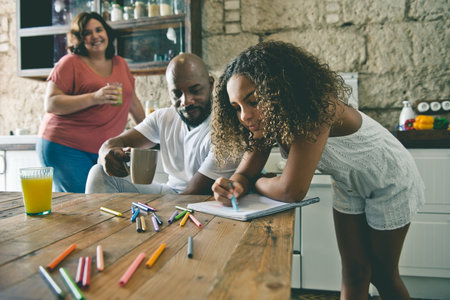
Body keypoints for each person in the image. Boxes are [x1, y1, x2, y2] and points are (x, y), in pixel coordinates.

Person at [211, 41, 425, 299]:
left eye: (253, 100)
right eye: (236, 107)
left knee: (382, 274)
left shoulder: (315, 109)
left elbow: (291, 190)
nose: (245, 115)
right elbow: (245, 173)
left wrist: (257, 182)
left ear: (279, 90)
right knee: (353, 272)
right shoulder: (263, 121)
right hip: (350, 183)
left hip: (390, 178)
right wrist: (234, 185)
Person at [85, 53, 236, 194]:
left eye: (195, 90)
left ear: (210, 85)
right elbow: (114, 143)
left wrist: (150, 210)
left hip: (201, 203)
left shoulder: (226, 131)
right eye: (177, 94)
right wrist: (107, 153)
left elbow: (192, 195)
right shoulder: (164, 117)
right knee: (98, 172)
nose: (186, 101)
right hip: (170, 193)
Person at [36, 12, 145, 193]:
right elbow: (51, 103)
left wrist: (155, 134)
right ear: (79, 38)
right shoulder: (70, 63)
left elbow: (133, 103)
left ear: (107, 33)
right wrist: (95, 97)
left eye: (98, 30)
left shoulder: (120, 64)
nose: (95, 36)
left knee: (106, 202)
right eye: (87, 33)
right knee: (84, 204)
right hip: (64, 145)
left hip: (103, 149)